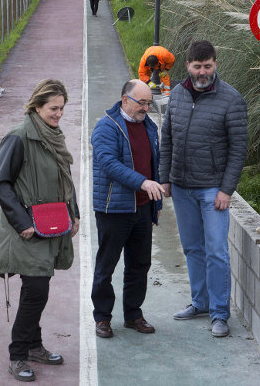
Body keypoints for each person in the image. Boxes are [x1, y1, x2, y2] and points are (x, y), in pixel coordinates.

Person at [159, 40, 248, 337]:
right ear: (187, 66)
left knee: (217, 252)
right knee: (192, 249)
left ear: (215, 64)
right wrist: (165, 178)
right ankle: (200, 302)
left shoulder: (231, 99)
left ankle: (220, 313)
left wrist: (226, 189)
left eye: (207, 66)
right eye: (197, 67)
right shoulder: (178, 95)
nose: (202, 72)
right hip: (182, 188)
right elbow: (167, 138)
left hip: (213, 191)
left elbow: (238, 149)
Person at [0, 79, 80, 382]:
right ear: (37, 106)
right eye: (53, 109)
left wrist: (75, 214)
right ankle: (18, 354)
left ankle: (33, 345)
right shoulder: (18, 138)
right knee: (36, 290)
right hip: (27, 229)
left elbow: (64, 177)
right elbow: (1, 184)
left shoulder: (53, 135)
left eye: (61, 109)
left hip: (51, 223)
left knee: (38, 289)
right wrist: (24, 224)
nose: (58, 114)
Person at [90, 79, 165, 339]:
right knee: (106, 266)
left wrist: (155, 204)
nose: (145, 108)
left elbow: (153, 164)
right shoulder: (106, 128)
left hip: (143, 209)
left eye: (148, 103)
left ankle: (133, 314)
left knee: (140, 264)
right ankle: (102, 318)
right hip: (114, 210)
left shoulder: (149, 127)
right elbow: (110, 165)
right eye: (140, 102)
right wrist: (142, 183)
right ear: (124, 100)